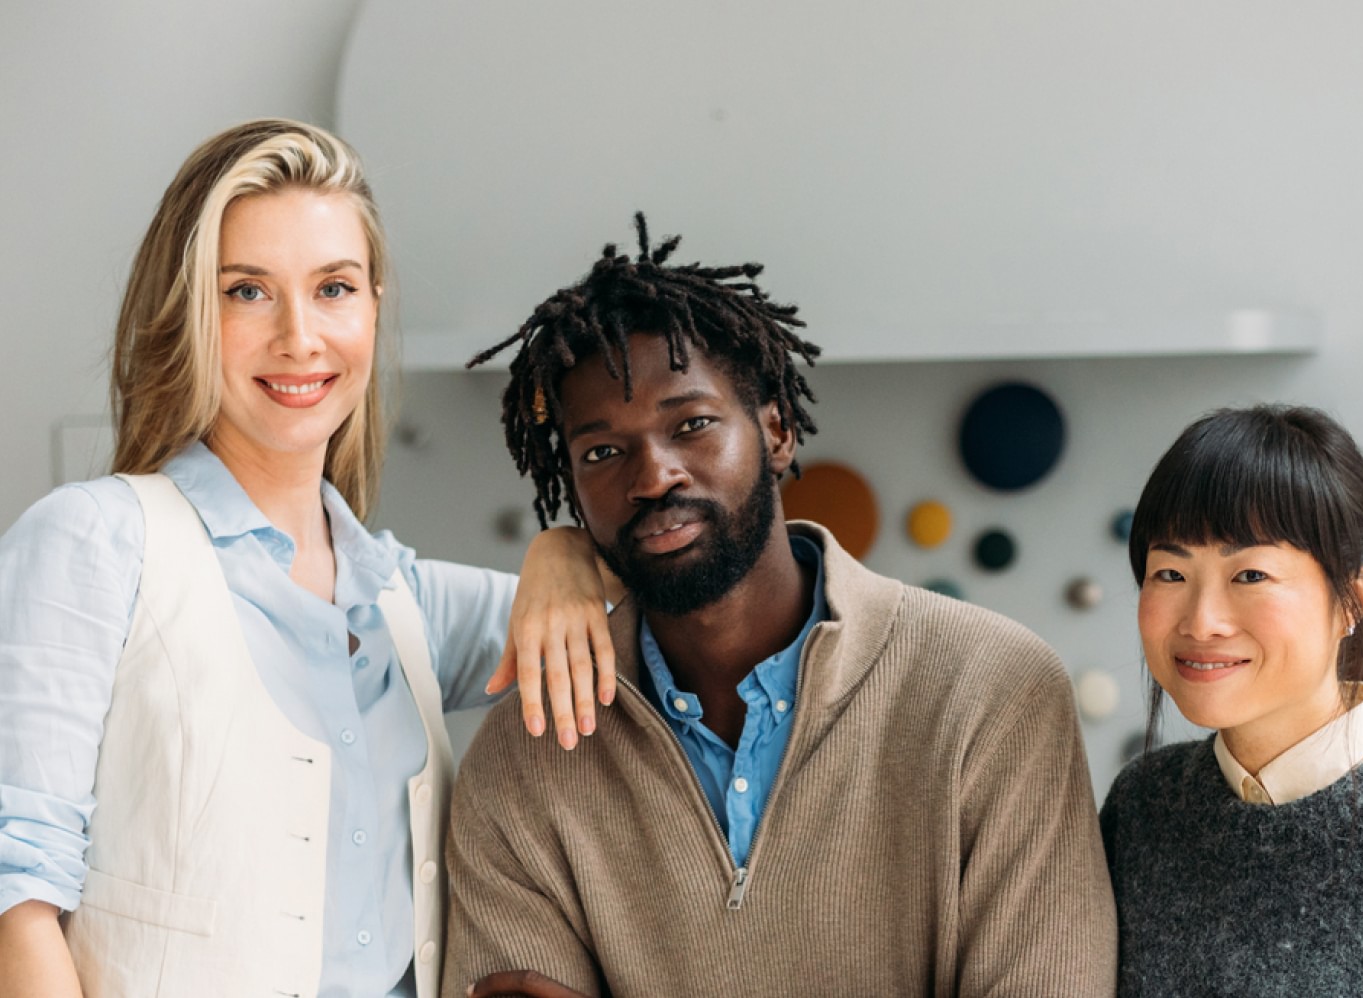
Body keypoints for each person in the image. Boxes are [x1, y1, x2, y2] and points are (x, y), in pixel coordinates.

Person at [0, 119, 614, 998]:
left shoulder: (396, 595)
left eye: (333, 288)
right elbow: (15, 895)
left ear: (371, 305)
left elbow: (664, 577)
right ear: (186, 314)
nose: (299, 336)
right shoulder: (93, 542)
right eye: (247, 291)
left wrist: (563, 551)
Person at [443, 214, 1117, 998]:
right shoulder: (524, 756)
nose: (652, 474)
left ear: (777, 430)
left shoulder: (994, 690)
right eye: (601, 451)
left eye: (691, 424)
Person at [1100, 404, 1363, 997]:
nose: (1202, 622)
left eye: (1251, 575)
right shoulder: (1141, 809)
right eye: (1170, 574)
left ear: (1354, 597)